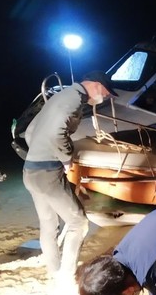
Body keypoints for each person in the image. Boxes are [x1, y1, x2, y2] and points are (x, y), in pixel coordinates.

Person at [23, 70, 119, 283]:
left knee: (48, 223)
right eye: (106, 92)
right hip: (48, 173)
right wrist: (66, 159)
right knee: (78, 221)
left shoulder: (60, 95)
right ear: (96, 84)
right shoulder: (73, 100)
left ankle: (54, 270)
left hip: (30, 169)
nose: (106, 97)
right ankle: (67, 274)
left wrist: (38, 151)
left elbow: (30, 131)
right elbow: (57, 133)